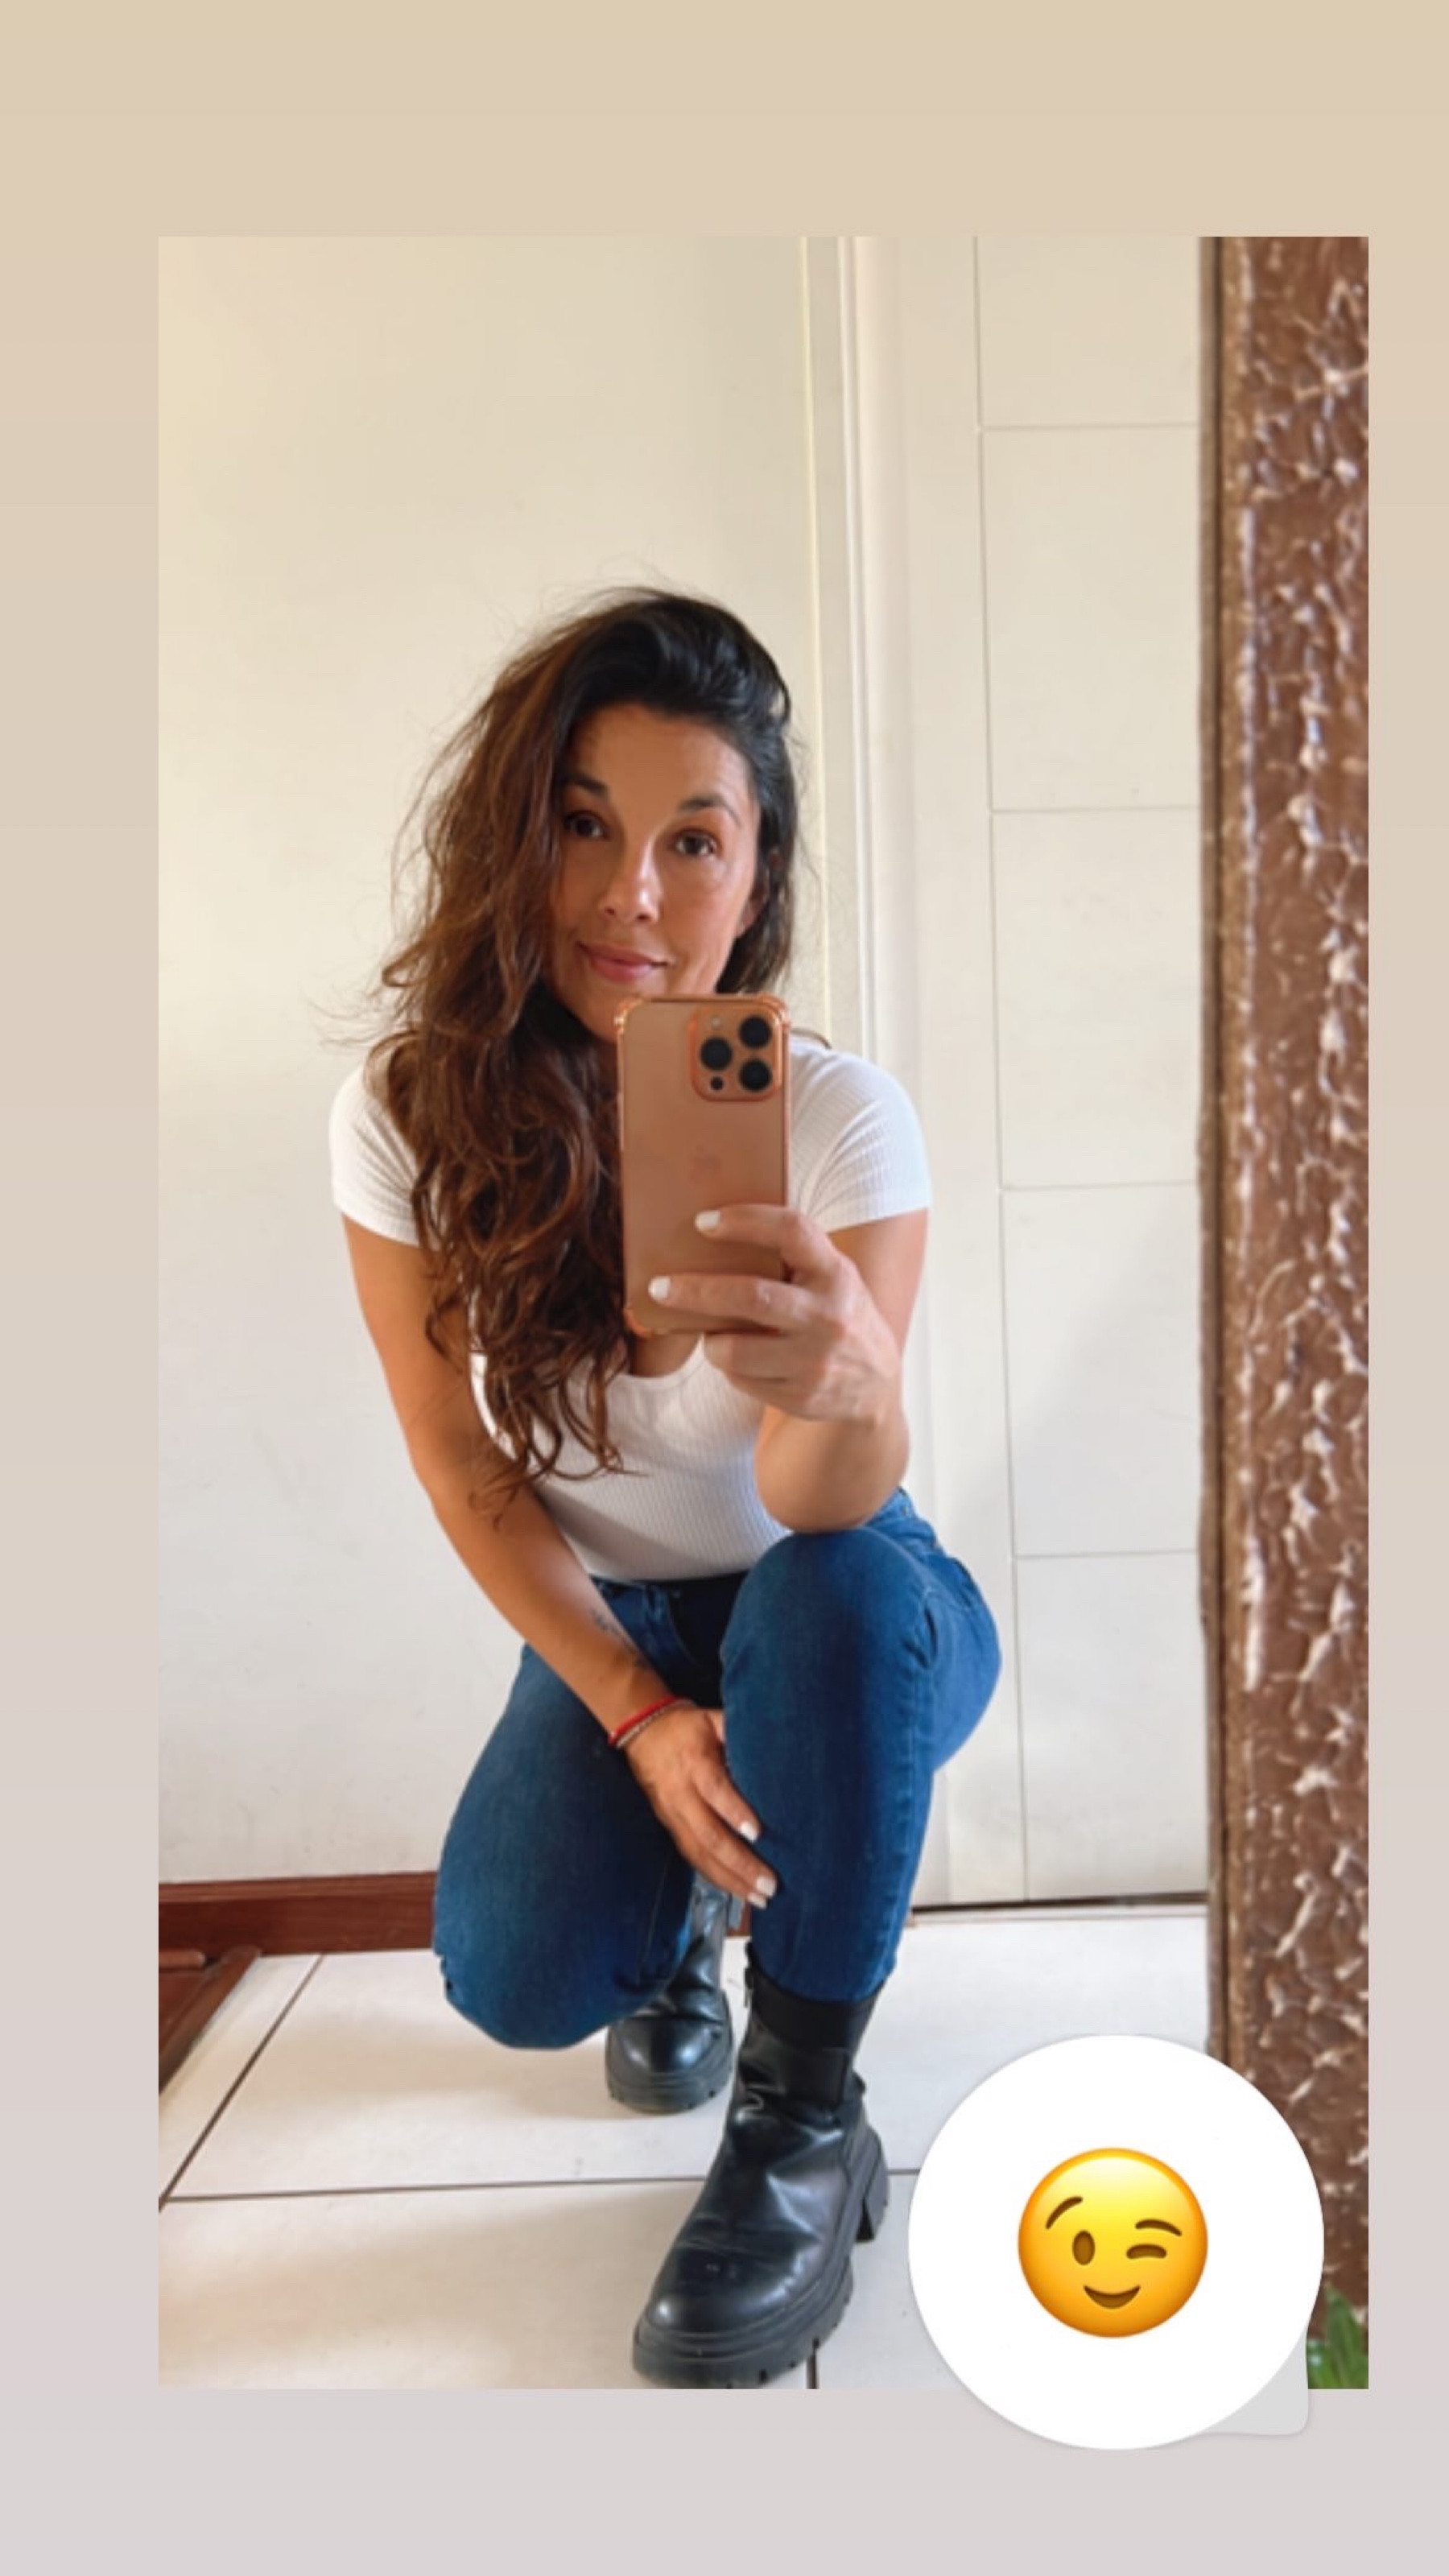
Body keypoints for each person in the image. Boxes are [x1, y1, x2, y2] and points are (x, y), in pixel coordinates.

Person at [327, 587, 1002, 2388]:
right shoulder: (409, 1118)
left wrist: (854, 1387)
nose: (631, 893)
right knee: (517, 1974)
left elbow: (823, 1504)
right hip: (618, 1620)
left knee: (829, 1587)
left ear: (755, 874)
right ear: (512, 839)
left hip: (848, 1606)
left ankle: (803, 2118)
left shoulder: (841, 1122)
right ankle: (685, 1912)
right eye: (582, 825)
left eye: (692, 840)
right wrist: (632, 1708)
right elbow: (458, 1456)